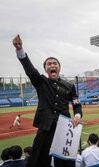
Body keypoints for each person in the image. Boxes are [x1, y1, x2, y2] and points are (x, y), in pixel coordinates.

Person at [12, 35, 82, 167]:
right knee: (40, 159)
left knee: (64, 161)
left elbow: (76, 103)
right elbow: (30, 70)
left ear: (59, 68)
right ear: (45, 69)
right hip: (45, 127)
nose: (52, 65)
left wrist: (77, 115)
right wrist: (20, 50)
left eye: (55, 63)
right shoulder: (41, 82)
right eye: (49, 64)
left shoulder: (70, 86)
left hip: (64, 128)